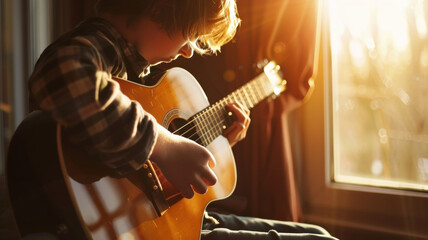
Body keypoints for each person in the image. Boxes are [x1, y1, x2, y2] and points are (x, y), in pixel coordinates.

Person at [28, 0, 338, 239]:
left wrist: (216, 140)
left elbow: (149, 173)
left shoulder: (131, 74)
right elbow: (62, 72)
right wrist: (165, 146)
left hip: (152, 224)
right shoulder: (99, 46)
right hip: (119, 229)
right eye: (189, 35)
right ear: (158, 7)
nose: (189, 51)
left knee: (320, 234)